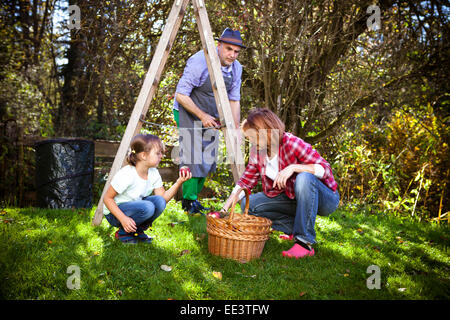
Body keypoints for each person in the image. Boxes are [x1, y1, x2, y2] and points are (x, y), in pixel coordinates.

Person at [221, 109, 340, 258]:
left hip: (325, 198)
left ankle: (304, 242)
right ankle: (294, 228)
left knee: (304, 178)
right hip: (291, 199)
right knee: (248, 203)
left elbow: (325, 169)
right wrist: (224, 210)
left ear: (266, 132)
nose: (250, 141)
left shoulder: (292, 143)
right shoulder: (257, 151)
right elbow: (245, 182)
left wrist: (294, 167)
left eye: (252, 136)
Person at [173, 27, 245, 214]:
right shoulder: (200, 61)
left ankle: (194, 199)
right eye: (229, 49)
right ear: (219, 45)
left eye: (236, 51)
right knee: (192, 155)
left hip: (211, 114)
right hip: (188, 109)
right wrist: (201, 115)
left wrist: (234, 128)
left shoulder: (236, 69)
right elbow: (181, 94)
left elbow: (234, 100)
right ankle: (188, 201)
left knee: (208, 156)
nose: (232, 55)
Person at [103, 134, 192, 243]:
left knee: (159, 202)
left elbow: (163, 199)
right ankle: (123, 233)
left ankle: (137, 231)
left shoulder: (153, 173)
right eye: (158, 153)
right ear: (144, 156)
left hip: (135, 209)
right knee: (148, 207)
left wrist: (179, 182)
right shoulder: (127, 174)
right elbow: (107, 199)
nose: (161, 156)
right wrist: (123, 219)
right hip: (115, 214)